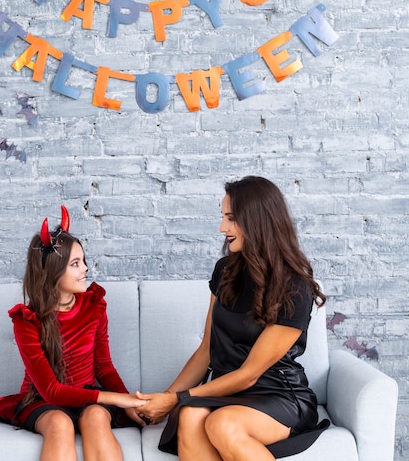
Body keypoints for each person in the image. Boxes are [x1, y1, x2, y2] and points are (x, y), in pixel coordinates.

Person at [135, 176, 329, 460]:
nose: (222, 227)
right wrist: (163, 400)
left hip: (278, 395)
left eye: (231, 218)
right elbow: (206, 352)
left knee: (221, 423)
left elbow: (248, 375)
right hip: (228, 391)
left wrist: (175, 399)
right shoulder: (225, 270)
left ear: (257, 221)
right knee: (188, 416)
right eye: (223, 216)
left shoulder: (294, 288)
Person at [0, 206, 147, 461]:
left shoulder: (94, 306)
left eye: (84, 261)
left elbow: (103, 367)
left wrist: (127, 402)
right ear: (52, 272)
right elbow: (50, 390)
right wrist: (117, 398)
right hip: (43, 400)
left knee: (95, 417)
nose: (85, 269)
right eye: (75, 264)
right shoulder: (26, 321)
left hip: (88, 397)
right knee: (60, 424)